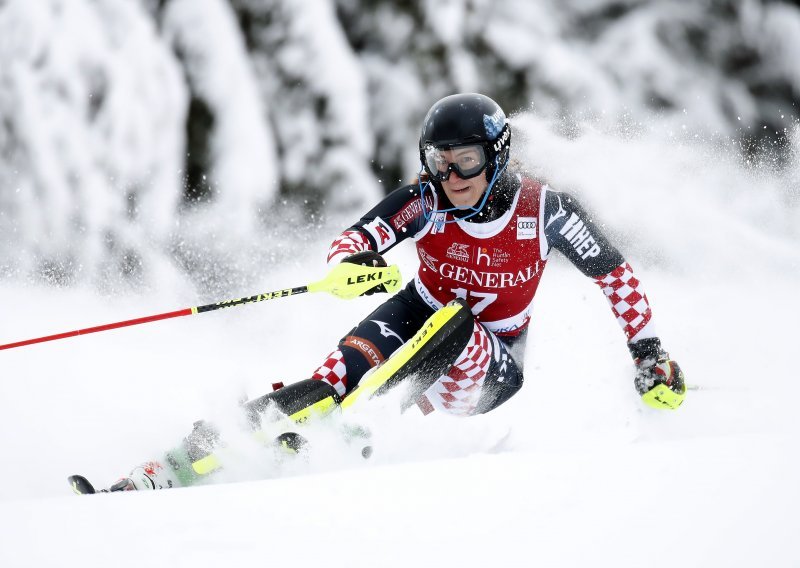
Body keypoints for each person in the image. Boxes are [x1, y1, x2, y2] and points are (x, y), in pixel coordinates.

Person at [96, 93, 685, 493]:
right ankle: (177, 464)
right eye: (438, 162)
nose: (450, 177)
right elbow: (357, 237)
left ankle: (368, 428)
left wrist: (649, 354)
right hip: (417, 314)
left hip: (493, 366)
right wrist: (353, 264)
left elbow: (616, 276)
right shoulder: (426, 200)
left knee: (455, 325)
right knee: (331, 380)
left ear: (498, 155)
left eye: (466, 162)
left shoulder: (544, 210)